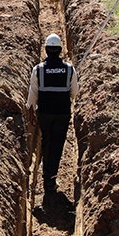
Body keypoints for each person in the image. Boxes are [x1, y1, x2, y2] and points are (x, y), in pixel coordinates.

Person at [25, 33, 77, 200]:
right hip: (62, 113)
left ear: (46, 50)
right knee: (57, 145)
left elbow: (32, 96)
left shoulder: (38, 70)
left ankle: (47, 175)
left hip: (45, 114)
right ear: (60, 50)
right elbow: (74, 93)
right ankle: (50, 178)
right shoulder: (69, 69)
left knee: (46, 141)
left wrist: (31, 112)